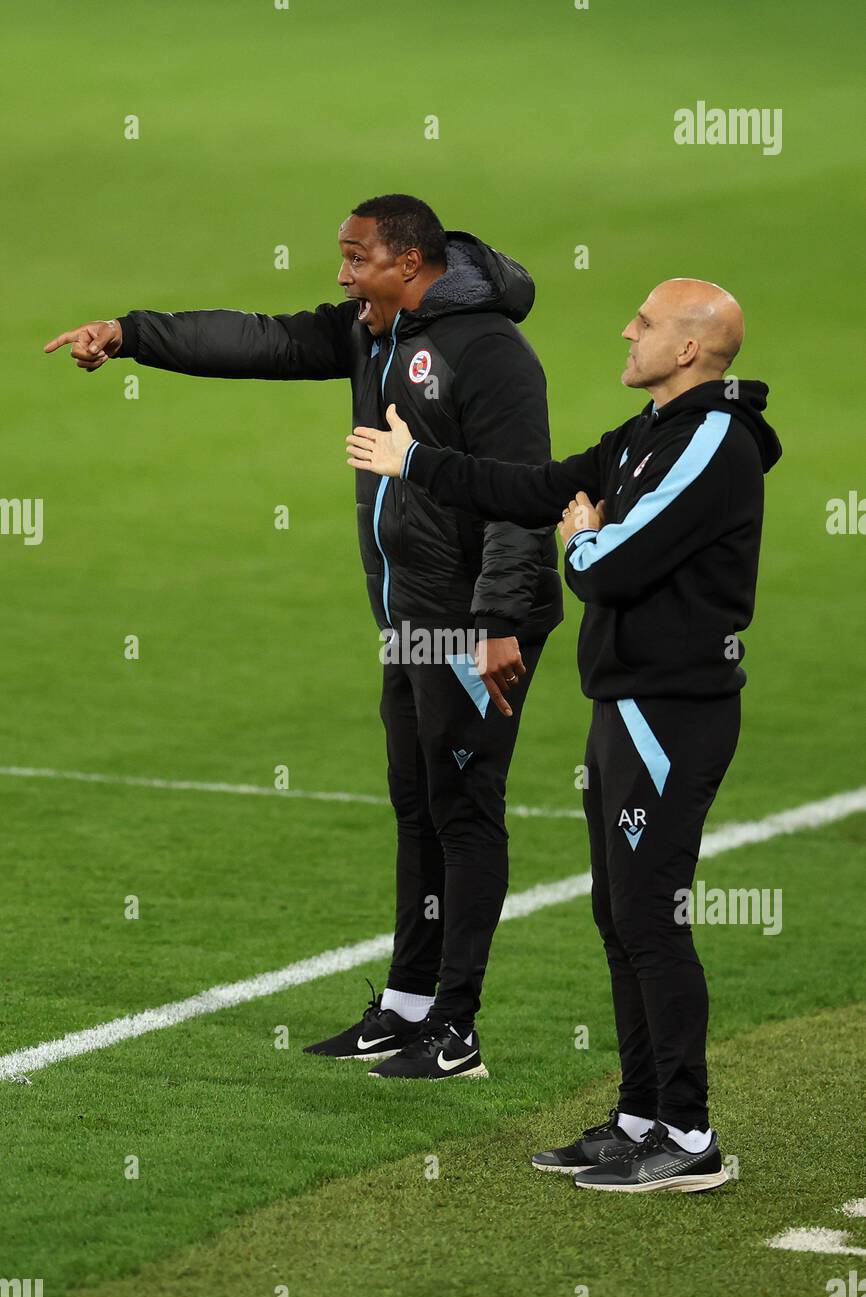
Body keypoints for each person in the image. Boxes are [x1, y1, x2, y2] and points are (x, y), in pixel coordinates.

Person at [44, 194, 563, 1081]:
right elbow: (263, 341)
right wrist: (130, 334)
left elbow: (525, 493)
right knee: (417, 801)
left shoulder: (492, 354)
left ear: (409, 262)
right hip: (409, 618)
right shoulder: (375, 332)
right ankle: (406, 1003)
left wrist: (501, 621)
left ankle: (458, 1029)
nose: (342, 274)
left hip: (473, 622)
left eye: (356, 258)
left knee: (466, 810)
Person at [346, 278, 782, 1189]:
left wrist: (583, 537)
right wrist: (419, 462)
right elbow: (537, 485)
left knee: (652, 919)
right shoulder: (646, 434)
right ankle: (638, 1114)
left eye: (648, 323)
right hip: (625, 705)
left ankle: (691, 1138)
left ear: (693, 349)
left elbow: (607, 564)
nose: (629, 331)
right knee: (618, 916)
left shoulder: (714, 441)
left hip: (673, 714)